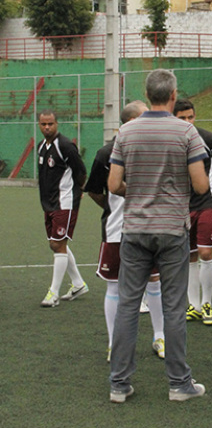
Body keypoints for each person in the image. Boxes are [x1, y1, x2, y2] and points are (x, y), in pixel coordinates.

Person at [107, 69, 209, 403]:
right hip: (171, 230)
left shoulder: (126, 132)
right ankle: (179, 384)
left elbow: (113, 185)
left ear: (147, 93)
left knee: (127, 305)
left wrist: (137, 192)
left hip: (135, 229)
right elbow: (200, 185)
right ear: (174, 94)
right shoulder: (187, 132)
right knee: (173, 308)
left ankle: (119, 384)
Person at [85, 100, 166, 361]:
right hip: (117, 230)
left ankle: (160, 337)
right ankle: (113, 343)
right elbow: (95, 191)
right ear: (131, 122)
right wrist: (113, 208)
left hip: (149, 228)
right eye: (145, 117)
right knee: (115, 286)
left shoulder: (155, 147)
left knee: (154, 281)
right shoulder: (105, 153)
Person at [174, 99, 212, 326]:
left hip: (209, 203)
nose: (188, 121)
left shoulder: (209, 140)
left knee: (206, 252)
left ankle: (207, 304)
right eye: (182, 118)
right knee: (189, 254)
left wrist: (207, 185)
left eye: (191, 117)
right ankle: (194, 305)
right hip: (182, 205)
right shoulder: (170, 141)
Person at [36, 109, 89, 307]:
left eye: (50, 123)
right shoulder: (41, 146)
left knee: (57, 244)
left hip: (65, 202)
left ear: (57, 123)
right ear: (39, 125)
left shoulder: (65, 146)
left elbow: (81, 171)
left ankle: (53, 293)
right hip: (48, 203)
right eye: (43, 124)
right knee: (57, 244)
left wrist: (78, 191)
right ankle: (78, 283)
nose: (47, 127)